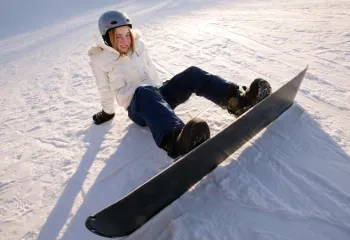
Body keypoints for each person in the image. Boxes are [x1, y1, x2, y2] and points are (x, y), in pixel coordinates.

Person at [88, 10, 272, 159]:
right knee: (145, 91)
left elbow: (150, 71)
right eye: (118, 36)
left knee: (192, 74)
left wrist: (165, 90)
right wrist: (107, 112)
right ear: (107, 38)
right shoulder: (100, 59)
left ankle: (237, 102)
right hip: (137, 108)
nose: (125, 40)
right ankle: (176, 140)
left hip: (157, 95)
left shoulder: (139, 46)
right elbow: (103, 88)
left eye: (127, 34)